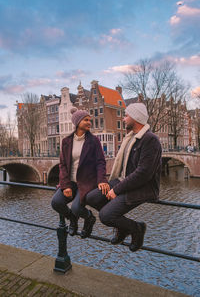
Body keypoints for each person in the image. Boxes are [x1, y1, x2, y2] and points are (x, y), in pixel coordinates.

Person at [86, 103, 162, 251]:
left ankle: (136, 229)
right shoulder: (130, 138)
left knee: (106, 216)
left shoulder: (150, 140)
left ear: (136, 117)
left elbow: (143, 174)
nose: (124, 118)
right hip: (125, 181)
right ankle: (121, 225)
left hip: (143, 187)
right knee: (92, 197)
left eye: (126, 115)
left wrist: (117, 190)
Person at [51, 107, 109, 238]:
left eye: (90, 120)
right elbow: (63, 165)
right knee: (56, 202)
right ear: (77, 122)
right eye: (86, 120)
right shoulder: (66, 141)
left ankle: (89, 219)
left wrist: (102, 180)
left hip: (86, 182)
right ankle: (72, 219)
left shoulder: (94, 141)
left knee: (77, 208)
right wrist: (65, 185)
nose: (89, 122)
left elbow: (100, 162)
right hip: (70, 182)